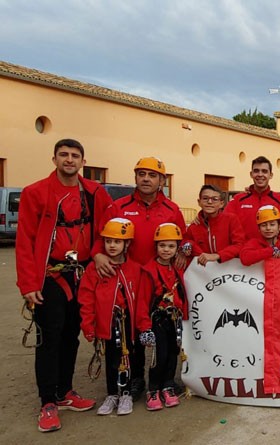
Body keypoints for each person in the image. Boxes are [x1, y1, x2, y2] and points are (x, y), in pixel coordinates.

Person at [16, 138, 111, 432]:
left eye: (75, 156)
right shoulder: (35, 193)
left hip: (82, 274)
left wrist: (97, 252)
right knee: (49, 338)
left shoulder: (95, 192)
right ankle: (47, 401)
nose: (69, 160)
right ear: (54, 159)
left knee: (72, 334)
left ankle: (64, 392)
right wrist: (28, 283)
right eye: (63, 155)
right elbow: (25, 240)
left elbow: (106, 228)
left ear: (83, 161)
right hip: (50, 276)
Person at [94, 156, 186, 400]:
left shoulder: (172, 210)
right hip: (129, 278)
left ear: (162, 181)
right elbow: (100, 237)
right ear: (135, 177)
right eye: (142, 174)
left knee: (165, 330)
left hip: (160, 281)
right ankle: (135, 379)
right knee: (131, 331)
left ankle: (165, 379)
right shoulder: (119, 207)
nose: (146, 179)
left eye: (152, 175)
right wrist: (97, 256)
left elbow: (182, 240)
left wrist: (183, 255)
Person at [79, 218, 147, 415]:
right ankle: (112, 394)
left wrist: (143, 325)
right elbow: (86, 298)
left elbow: (141, 299)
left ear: (127, 244)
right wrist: (88, 325)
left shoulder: (135, 269)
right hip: (108, 323)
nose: (112, 245)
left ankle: (126, 394)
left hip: (129, 323)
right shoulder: (95, 269)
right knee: (111, 358)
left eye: (117, 241)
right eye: (108, 241)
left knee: (129, 357)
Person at [137, 223, 188, 410]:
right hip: (157, 320)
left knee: (173, 354)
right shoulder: (149, 271)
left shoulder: (177, 268)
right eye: (162, 245)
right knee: (159, 355)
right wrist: (144, 328)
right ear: (156, 247)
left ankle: (168, 385)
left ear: (177, 249)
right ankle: (153, 388)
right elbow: (142, 301)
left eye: (171, 246)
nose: (166, 250)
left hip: (174, 320)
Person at [224, 156, 280, 240]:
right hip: (244, 251)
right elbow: (223, 221)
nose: (260, 174)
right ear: (251, 174)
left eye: (264, 171)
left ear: (271, 175)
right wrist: (201, 218)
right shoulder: (238, 200)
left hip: (272, 251)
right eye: (256, 171)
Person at [181, 185, 245, 266]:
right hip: (205, 272)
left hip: (229, 269)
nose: (210, 202)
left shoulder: (231, 220)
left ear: (221, 203)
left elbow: (239, 245)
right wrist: (189, 249)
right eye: (205, 198)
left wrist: (218, 255)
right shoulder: (193, 227)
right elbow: (187, 242)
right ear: (199, 202)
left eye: (215, 199)